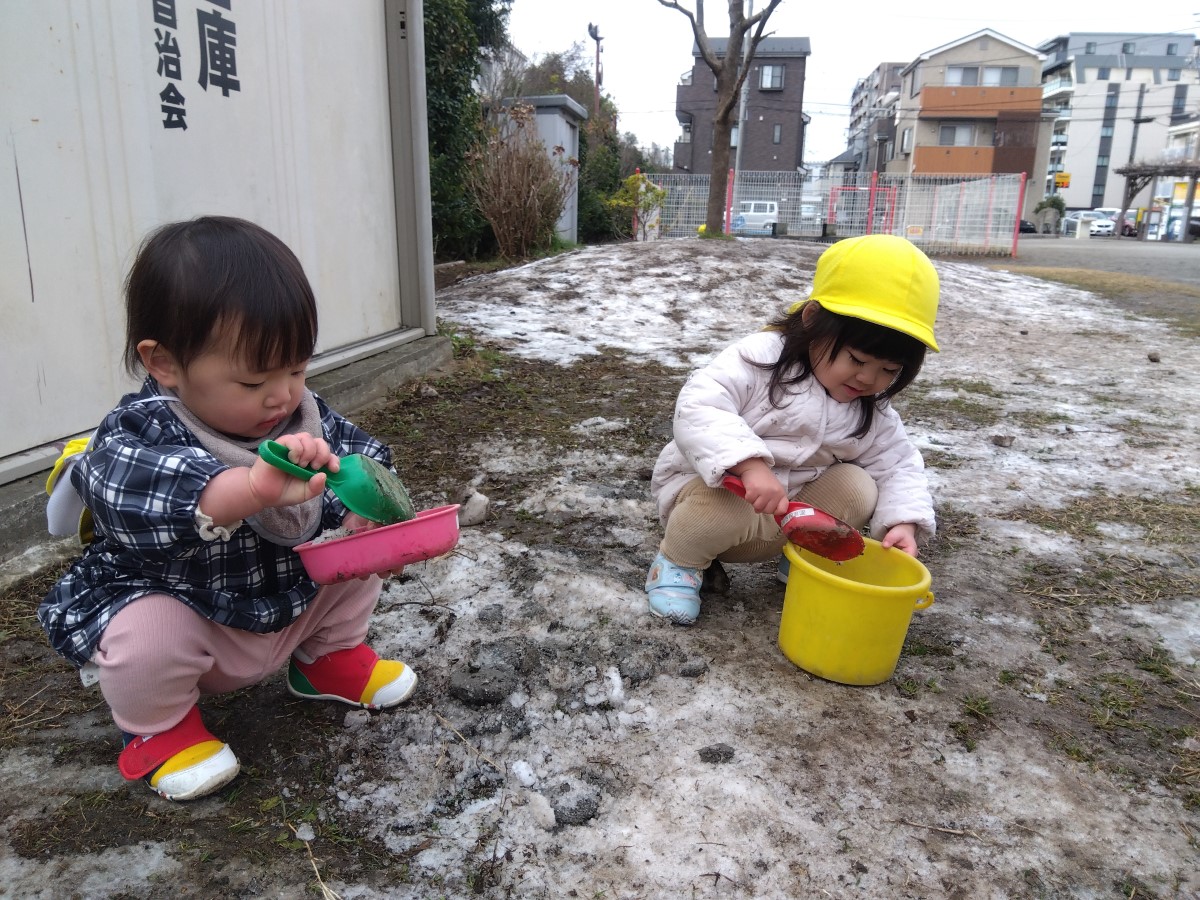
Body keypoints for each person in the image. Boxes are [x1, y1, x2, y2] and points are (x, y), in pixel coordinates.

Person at [39, 216, 417, 801]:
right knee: (146, 632)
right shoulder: (140, 431)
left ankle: (328, 659)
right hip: (197, 618)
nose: (282, 394)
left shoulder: (302, 416)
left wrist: (362, 512)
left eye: (296, 368)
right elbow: (133, 496)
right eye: (252, 381)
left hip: (288, 603)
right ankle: (162, 730)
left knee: (346, 562)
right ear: (164, 363)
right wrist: (252, 488)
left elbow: (363, 454)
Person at [645, 234, 940, 625]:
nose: (869, 379)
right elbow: (700, 403)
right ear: (814, 319)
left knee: (858, 484)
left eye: (889, 370)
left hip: (792, 515)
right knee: (718, 506)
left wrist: (904, 521)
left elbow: (898, 462)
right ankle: (677, 563)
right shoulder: (761, 359)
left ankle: (804, 562)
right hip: (721, 497)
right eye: (856, 359)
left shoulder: (869, 406)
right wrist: (749, 465)